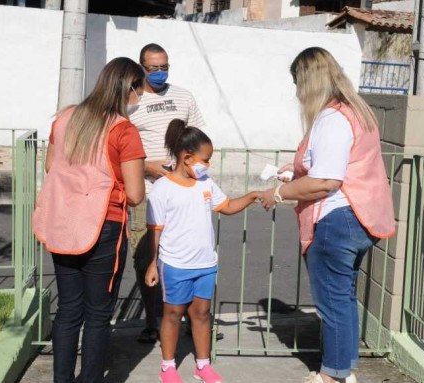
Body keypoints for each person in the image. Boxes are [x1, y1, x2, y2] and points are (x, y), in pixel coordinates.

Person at [258, 47, 396, 383]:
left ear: (308, 81)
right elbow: (335, 166)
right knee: (343, 298)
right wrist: (297, 170)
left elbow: (325, 182)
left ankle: (331, 376)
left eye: (297, 83)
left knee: (332, 303)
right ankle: (344, 369)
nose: (296, 92)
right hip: (360, 216)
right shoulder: (355, 111)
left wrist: (276, 194)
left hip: (337, 219)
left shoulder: (332, 118)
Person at [32, 57, 147, 383]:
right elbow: (136, 194)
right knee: (98, 315)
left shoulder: (65, 117)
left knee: (68, 309)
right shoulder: (124, 131)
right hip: (104, 226)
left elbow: (50, 167)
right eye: (139, 90)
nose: (139, 98)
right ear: (130, 88)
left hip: (63, 221)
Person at [145, 119, 261, 383]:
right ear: (187, 157)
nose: (207, 165)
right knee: (173, 315)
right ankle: (168, 366)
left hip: (205, 264)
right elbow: (155, 230)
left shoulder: (206, 183)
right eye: (205, 159)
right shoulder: (162, 189)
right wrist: (153, 264)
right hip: (174, 265)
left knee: (202, 314)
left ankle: (202, 365)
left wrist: (253, 195)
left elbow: (228, 206)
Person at [128, 43, 210, 344]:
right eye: (153, 68)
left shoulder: (183, 97)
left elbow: (201, 140)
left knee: (187, 257)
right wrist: (145, 166)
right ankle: (152, 322)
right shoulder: (131, 103)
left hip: (183, 194)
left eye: (165, 67)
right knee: (147, 256)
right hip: (146, 192)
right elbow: (120, 147)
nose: (160, 72)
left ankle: (191, 319)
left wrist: (191, 170)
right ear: (141, 68)